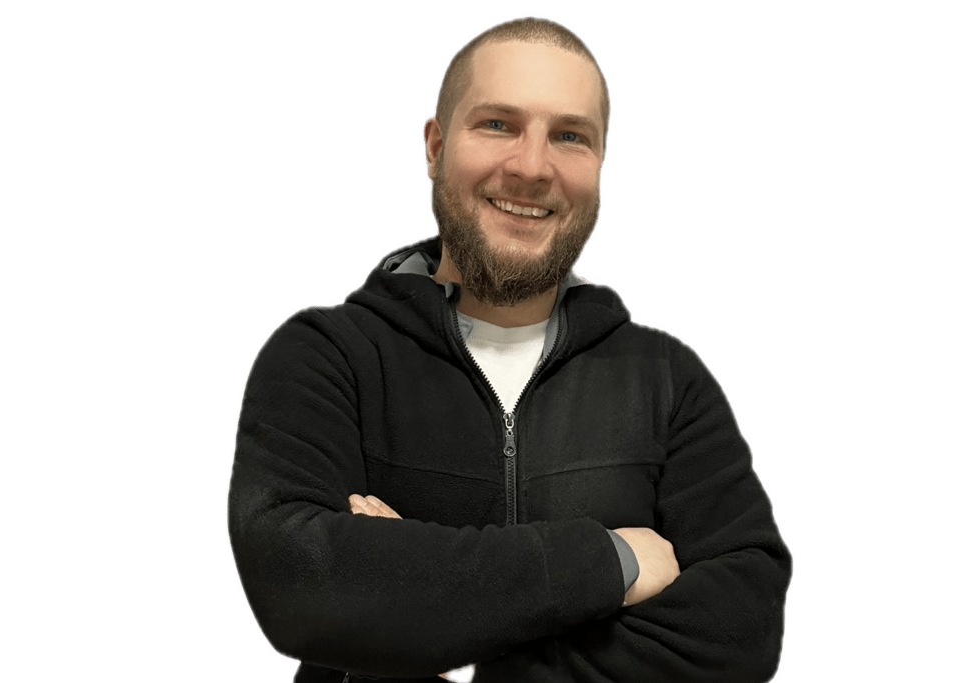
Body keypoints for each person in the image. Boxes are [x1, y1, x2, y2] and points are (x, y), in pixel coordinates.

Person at [226, 13, 793, 683]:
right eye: (498, 124)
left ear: (601, 164)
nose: (531, 166)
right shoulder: (323, 358)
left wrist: (454, 653)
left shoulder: (667, 380)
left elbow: (741, 633)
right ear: (435, 147)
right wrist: (612, 561)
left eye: (570, 136)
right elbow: (303, 587)